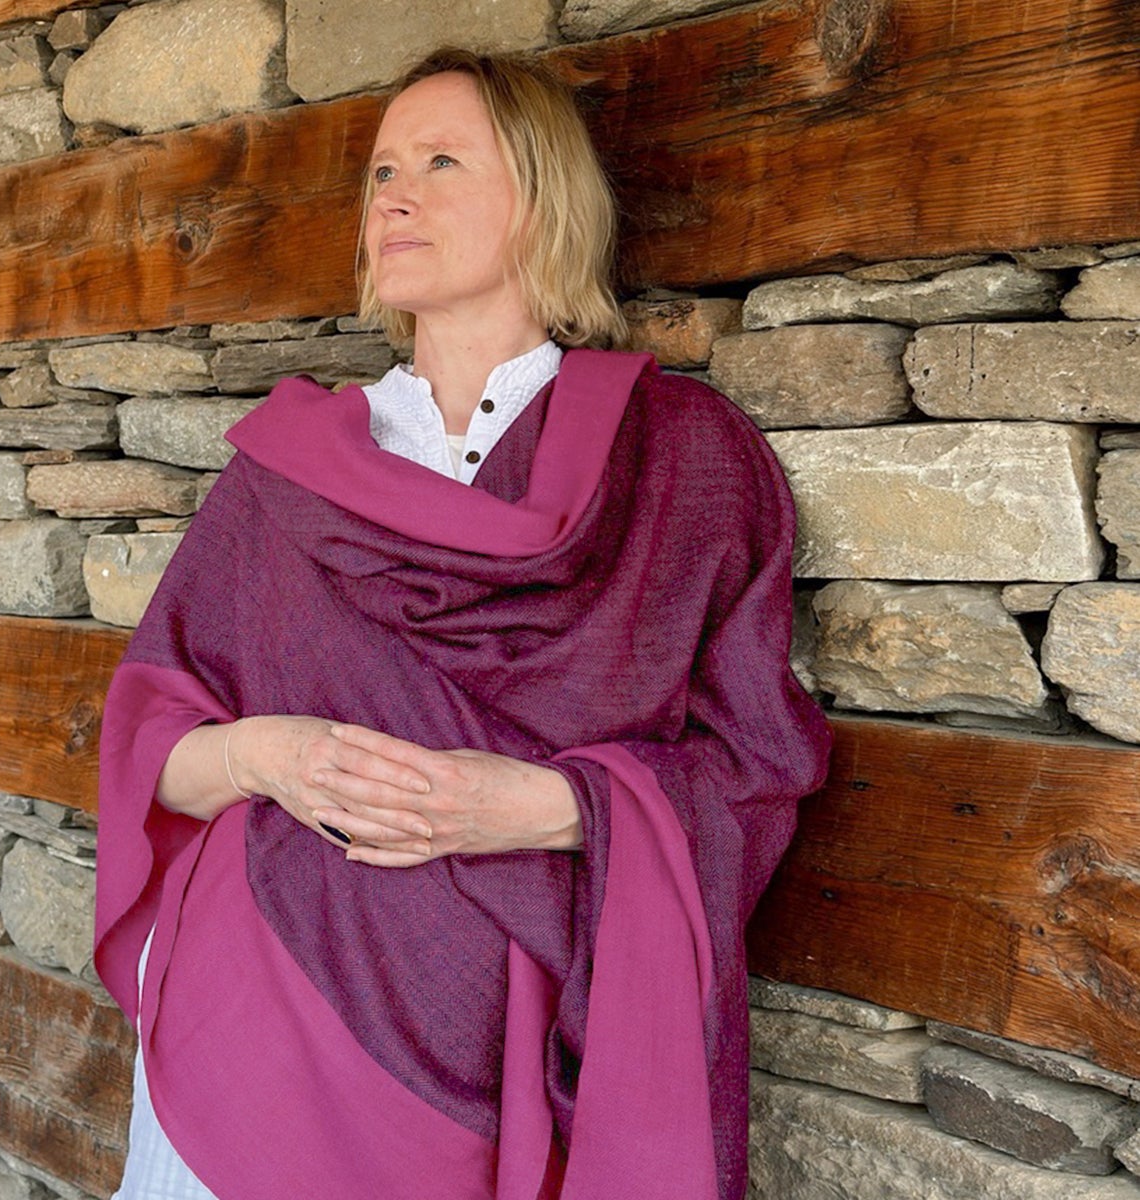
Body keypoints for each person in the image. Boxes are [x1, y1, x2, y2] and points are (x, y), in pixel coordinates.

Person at [95, 46, 830, 1200]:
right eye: (382, 169)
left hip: (511, 1058)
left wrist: (539, 808)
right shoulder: (285, 477)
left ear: (543, 202)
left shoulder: (681, 462)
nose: (393, 193)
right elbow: (152, 758)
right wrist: (269, 756)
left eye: (441, 161)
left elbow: (752, 772)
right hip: (252, 1012)